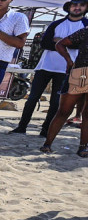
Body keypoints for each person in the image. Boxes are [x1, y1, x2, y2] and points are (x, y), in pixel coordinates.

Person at [12, 0, 86, 136]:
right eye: (74, 5)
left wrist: (62, 42)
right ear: (69, 7)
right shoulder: (56, 23)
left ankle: (46, 130)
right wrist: (66, 44)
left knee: (55, 102)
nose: (77, 8)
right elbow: (44, 43)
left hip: (68, 69)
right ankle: (21, 127)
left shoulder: (85, 25)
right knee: (32, 98)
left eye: (81, 5)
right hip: (46, 66)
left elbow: (83, 47)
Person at [37, 23, 88, 157]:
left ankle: (83, 147)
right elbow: (60, 44)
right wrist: (69, 61)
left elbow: (60, 44)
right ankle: (47, 144)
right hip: (80, 73)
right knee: (64, 111)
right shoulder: (85, 31)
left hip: (79, 72)